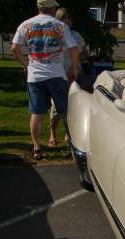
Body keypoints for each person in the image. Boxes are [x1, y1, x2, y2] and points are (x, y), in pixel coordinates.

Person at [11, 0, 79, 160]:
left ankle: (37, 148)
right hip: (56, 74)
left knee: (36, 113)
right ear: (52, 8)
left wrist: (25, 64)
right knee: (65, 112)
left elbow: (14, 47)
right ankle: (72, 146)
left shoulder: (26, 24)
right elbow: (74, 49)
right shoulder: (60, 25)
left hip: (35, 75)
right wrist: (74, 69)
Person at [48, 7, 87, 147]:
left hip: (74, 75)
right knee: (56, 109)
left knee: (73, 106)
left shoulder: (76, 35)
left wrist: (76, 60)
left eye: (69, 18)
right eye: (64, 18)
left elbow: (84, 53)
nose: (67, 21)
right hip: (58, 76)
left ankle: (68, 133)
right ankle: (52, 133)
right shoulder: (53, 36)